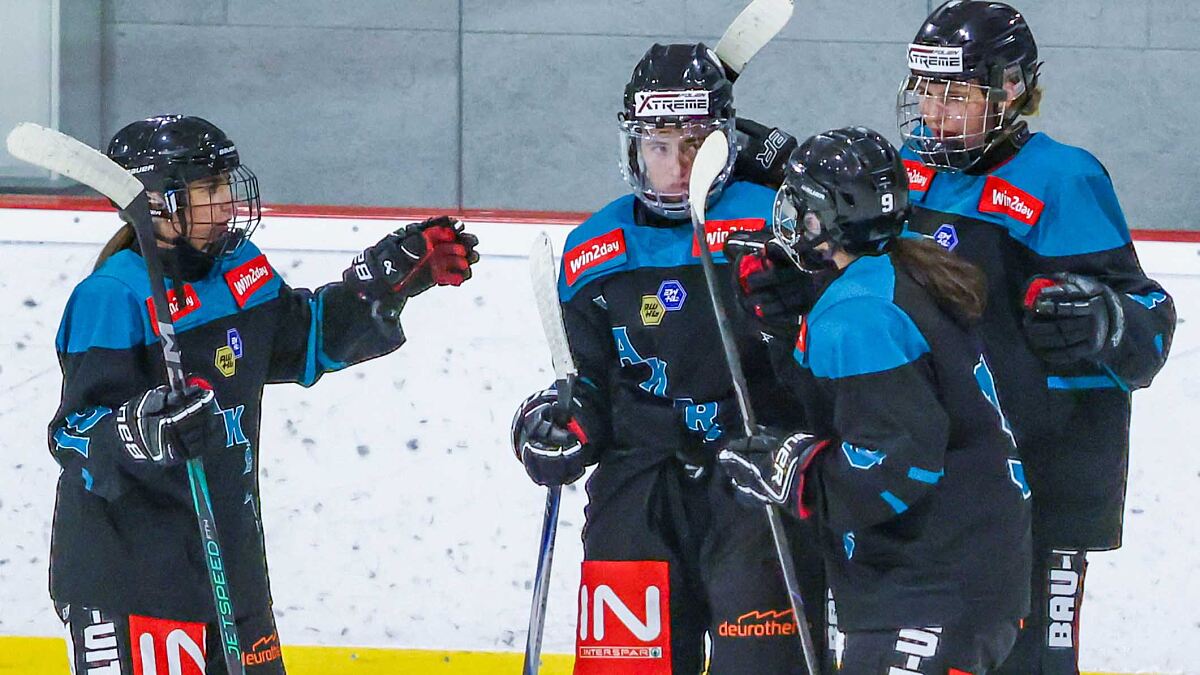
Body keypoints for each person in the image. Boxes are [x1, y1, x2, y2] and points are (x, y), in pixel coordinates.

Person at [48, 114, 479, 674]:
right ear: (157, 203)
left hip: (230, 566)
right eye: (208, 189)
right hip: (132, 572)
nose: (226, 202)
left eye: (225, 184)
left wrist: (381, 287)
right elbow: (74, 435)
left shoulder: (240, 270)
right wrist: (141, 430)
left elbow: (305, 342)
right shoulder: (113, 295)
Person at [509, 43, 827, 674]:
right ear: (634, 148)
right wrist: (560, 424)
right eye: (659, 146)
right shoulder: (592, 250)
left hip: (757, 478)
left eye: (695, 145)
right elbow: (589, 383)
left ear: (727, 143)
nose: (677, 166)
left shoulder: (780, 227)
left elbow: (828, 358)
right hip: (639, 489)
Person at [896, 3, 1176, 672]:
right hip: (944, 474)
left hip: (1042, 481)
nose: (935, 111)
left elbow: (1150, 322)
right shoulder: (910, 171)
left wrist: (1104, 319)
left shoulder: (1063, 180)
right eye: (927, 90)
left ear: (1011, 90)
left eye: (955, 93)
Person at [719, 126, 1033, 674]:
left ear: (824, 219)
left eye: (799, 204)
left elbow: (895, 463)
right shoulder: (899, 272)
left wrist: (796, 476)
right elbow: (859, 409)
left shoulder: (860, 312)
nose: (789, 217)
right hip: (957, 578)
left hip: (931, 585)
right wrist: (785, 328)